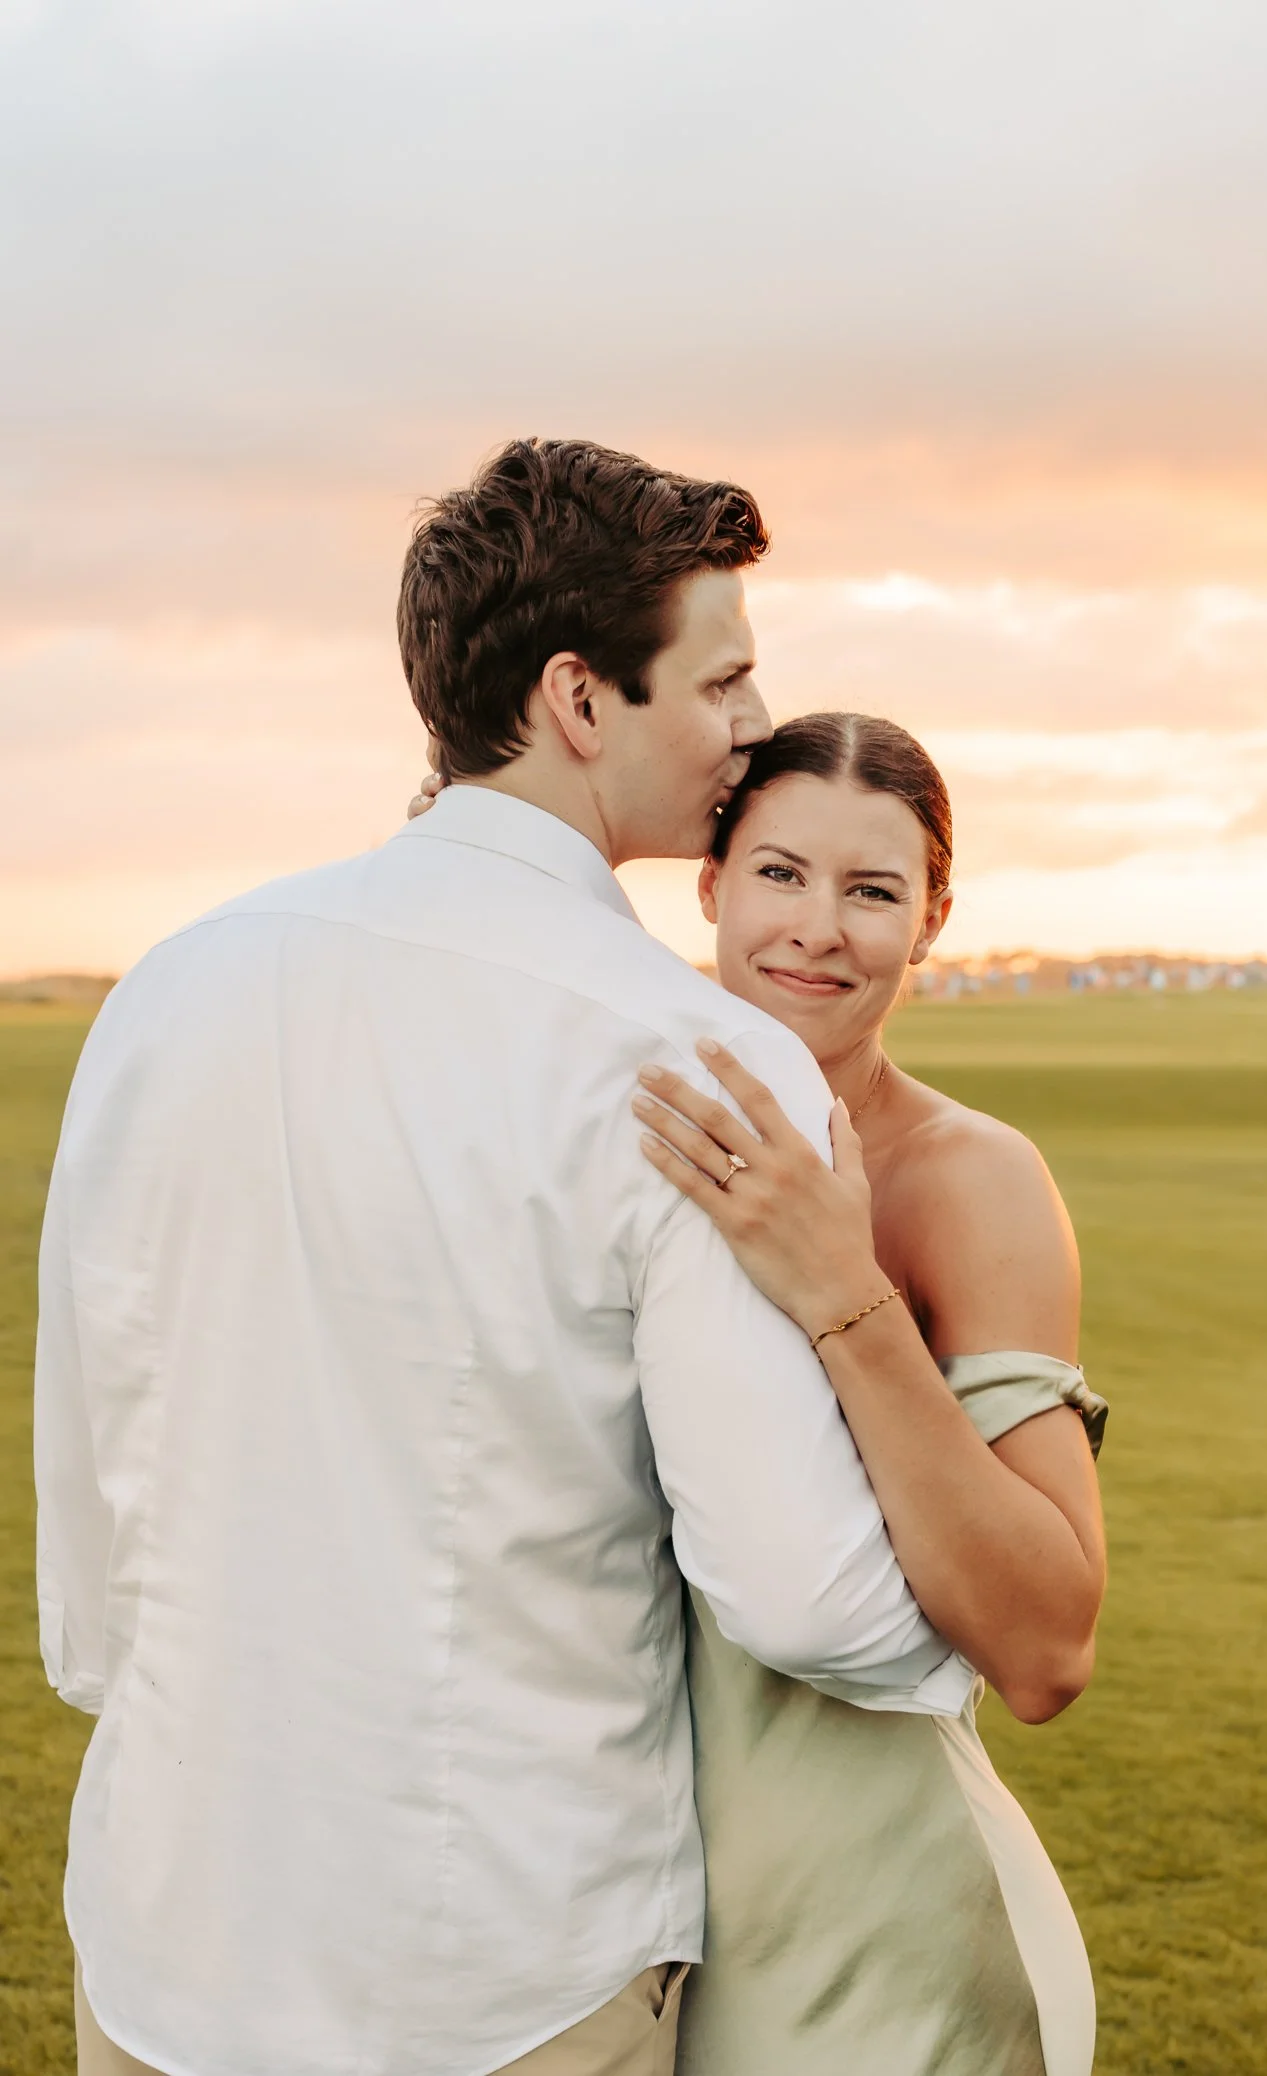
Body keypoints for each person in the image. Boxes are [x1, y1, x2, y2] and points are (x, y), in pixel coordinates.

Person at [35, 441, 969, 2076]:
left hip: (165, 1942)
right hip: (502, 1975)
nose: (754, 723)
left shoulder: (170, 988)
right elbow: (805, 1596)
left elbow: (94, 1489)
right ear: (579, 699)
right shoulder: (696, 1059)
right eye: (724, 678)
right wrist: (979, 1623)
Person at [410, 714, 1110, 2075]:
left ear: (933, 921)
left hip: (868, 1925)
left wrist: (842, 1289)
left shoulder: (970, 1181)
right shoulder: (587, 1125)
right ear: (712, 885)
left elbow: (1047, 1648)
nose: (818, 930)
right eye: (781, 873)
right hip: (572, 1912)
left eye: (873, 891)